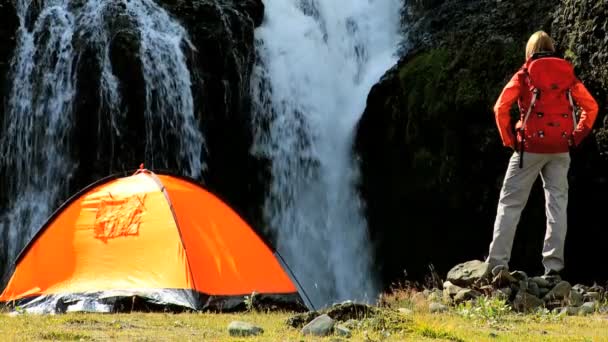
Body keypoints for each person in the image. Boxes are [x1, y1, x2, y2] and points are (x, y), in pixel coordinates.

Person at [485, 30, 599, 276]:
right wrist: (576, 136)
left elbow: (500, 107)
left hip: (529, 148)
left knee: (510, 204)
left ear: (529, 50)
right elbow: (591, 106)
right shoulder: (567, 74)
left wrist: (510, 140)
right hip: (560, 148)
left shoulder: (525, 74)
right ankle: (553, 268)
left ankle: (497, 264)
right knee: (557, 206)